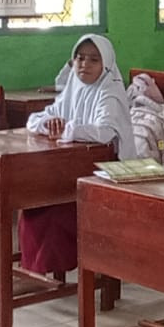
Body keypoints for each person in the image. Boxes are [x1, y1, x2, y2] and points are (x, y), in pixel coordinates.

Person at [19, 34, 136, 274]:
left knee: (53, 212)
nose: (85, 64)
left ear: (106, 64)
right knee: (32, 203)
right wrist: (49, 123)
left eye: (94, 59)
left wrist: (69, 129)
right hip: (74, 170)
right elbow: (36, 118)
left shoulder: (109, 91)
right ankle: (35, 271)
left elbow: (104, 131)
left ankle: (41, 272)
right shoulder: (74, 87)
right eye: (80, 58)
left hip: (105, 175)